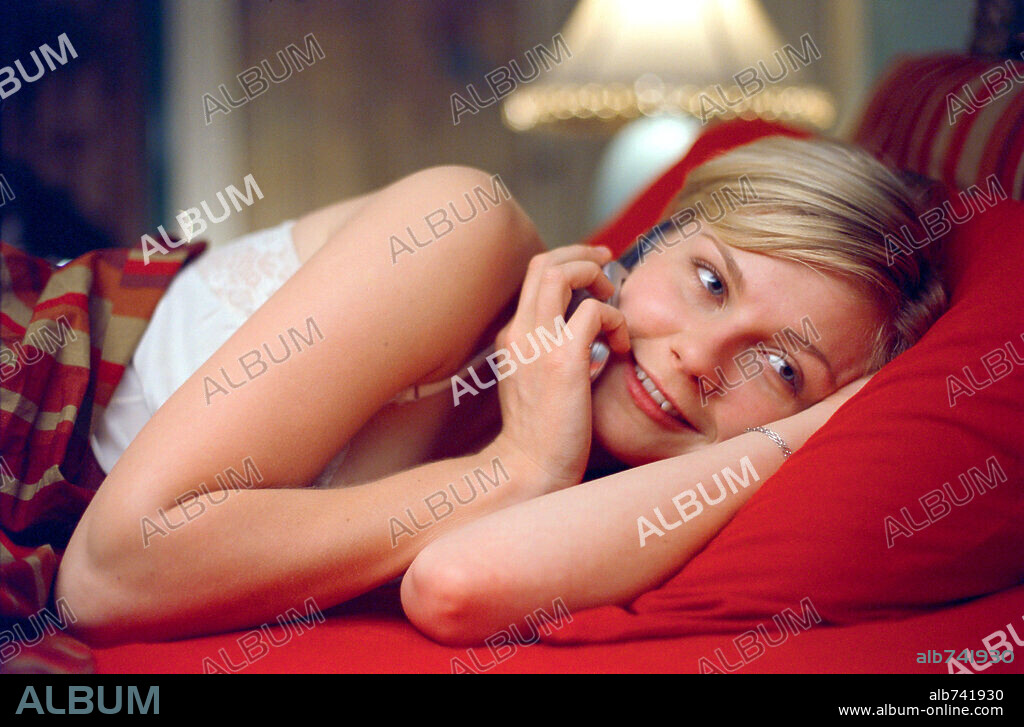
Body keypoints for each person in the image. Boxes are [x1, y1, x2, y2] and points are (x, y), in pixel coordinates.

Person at [54, 135, 948, 646]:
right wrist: (515, 464)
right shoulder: (465, 231)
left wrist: (831, 421)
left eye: (783, 369)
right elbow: (105, 576)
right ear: (648, 245)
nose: (698, 357)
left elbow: (456, 583)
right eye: (709, 281)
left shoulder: (634, 496)